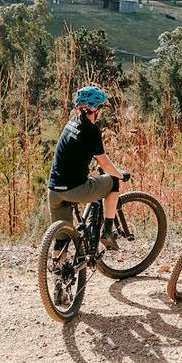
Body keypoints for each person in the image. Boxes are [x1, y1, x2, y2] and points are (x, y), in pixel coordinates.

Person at [46, 85, 131, 247]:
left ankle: (59, 266)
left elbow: (74, 152)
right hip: (75, 190)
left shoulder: (71, 123)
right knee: (113, 182)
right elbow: (104, 163)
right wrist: (120, 174)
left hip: (54, 190)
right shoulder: (91, 131)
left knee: (62, 237)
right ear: (96, 109)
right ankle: (107, 231)